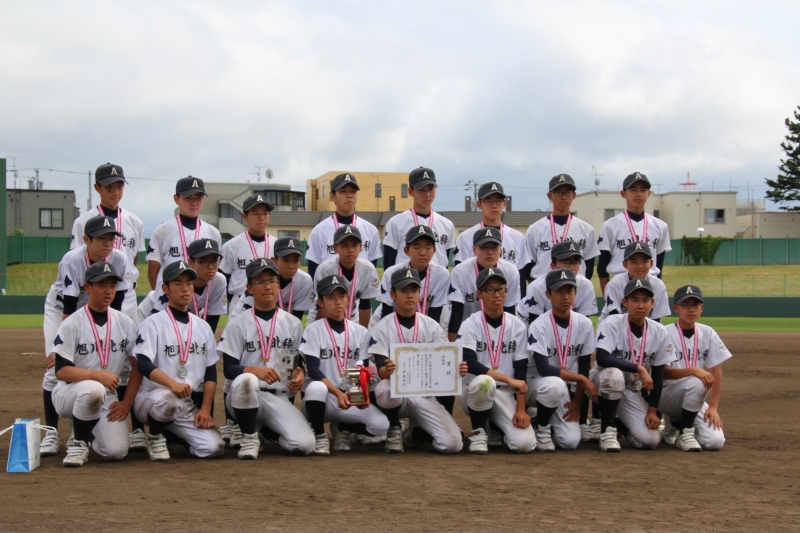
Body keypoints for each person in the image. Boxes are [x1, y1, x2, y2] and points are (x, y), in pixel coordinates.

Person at [40, 215, 130, 458]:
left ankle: (83, 425)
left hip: (99, 305)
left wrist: (110, 331)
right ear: (86, 240)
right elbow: (70, 307)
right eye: (102, 238)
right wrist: (60, 347)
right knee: (54, 368)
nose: (108, 243)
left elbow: (117, 303)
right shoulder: (72, 260)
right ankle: (51, 432)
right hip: (63, 309)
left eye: (111, 238)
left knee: (101, 363)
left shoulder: (119, 259)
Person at [217, 259, 315, 459]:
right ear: (249, 288)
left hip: (277, 397)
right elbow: (229, 369)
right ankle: (249, 437)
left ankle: (267, 432)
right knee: (247, 379)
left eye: (271, 281)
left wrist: (298, 374)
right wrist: (255, 371)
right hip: (243, 397)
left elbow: (292, 363)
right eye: (260, 282)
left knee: (305, 445)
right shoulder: (238, 324)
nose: (267, 286)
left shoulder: (293, 324)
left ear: (278, 285)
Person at [50, 262, 142, 467]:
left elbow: (138, 365)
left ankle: (86, 427)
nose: (109, 291)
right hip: (70, 392)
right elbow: (61, 371)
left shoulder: (124, 322)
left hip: (107, 396)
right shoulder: (72, 323)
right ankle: (78, 442)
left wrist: (126, 403)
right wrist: (97, 376)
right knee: (93, 390)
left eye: (112, 285)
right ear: (88, 287)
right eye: (102, 285)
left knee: (116, 452)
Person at [133, 261, 225, 461]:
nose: (185, 288)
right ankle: (155, 437)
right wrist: (172, 384)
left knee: (214, 448)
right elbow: (143, 363)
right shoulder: (152, 323)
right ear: (165, 289)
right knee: (167, 398)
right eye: (178, 283)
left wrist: (205, 409)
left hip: (185, 404)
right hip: (152, 398)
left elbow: (210, 371)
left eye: (189, 283)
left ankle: (180, 436)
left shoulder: (202, 326)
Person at [371, 268, 462, 454]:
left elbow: (444, 363)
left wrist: (456, 369)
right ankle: (394, 427)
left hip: (423, 394)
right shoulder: (382, 327)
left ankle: (415, 433)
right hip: (395, 393)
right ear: (392, 295)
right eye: (403, 290)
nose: (409, 295)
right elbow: (380, 369)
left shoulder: (431, 326)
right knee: (384, 389)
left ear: (419, 293)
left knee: (453, 444)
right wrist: (387, 370)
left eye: (414, 290)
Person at [299, 275, 389, 455]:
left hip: (349, 396)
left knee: (381, 426)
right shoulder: (313, 330)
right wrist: (337, 393)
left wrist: (361, 395)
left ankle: (343, 428)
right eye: (331, 297)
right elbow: (313, 369)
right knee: (316, 387)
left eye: (341, 296)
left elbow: (362, 368)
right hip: (322, 398)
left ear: (348, 299)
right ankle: (320, 435)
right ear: (320, 302)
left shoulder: (360, 332)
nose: (337, 301)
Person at [591, 278, 675, 452]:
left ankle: (619, 425)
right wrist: (639, 368)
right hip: (602, 383)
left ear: (652, 303)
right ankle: (607, 430)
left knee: (650, 441)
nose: (640, 305)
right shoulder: (612, 323)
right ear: (625, 302)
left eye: (645, 300)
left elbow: (658, 374)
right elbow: (602, 358)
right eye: (635, 300)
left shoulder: (660, 332)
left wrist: (653, 410)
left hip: (631, 388)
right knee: (613, 375)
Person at [457, 268, 534, 455]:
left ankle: (496, 426)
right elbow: (470, 362)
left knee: (524, 444)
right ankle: (478, 432)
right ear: (479, 294)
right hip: (474, 392)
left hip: (506, 393)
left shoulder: (517, 326)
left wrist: (521, 408)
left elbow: (521, 368)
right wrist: (507, 379)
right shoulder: (470, 324)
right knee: (485, 382)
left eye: (500, 289)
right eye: (489, 290)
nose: (496, 294)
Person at [525, 269, 597, 452]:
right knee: (554, 384)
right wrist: (580, 378)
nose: (565, 296)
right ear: (548, 294)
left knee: (570, 442)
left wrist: (577, 403)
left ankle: (543, 420)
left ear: (575, 293)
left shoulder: (584, 324)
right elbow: (543, 368)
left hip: (559, 386)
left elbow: (584, 365)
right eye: (559, 291)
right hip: (533, 385)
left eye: (569, 291)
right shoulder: (539, 325)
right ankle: (542, 427)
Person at [70, 163, 145, 318]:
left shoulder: (135, 222)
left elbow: (133, 258)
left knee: (125, 332)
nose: (115, 192)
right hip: (95, 291)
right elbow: (77, 258)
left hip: (126, 294)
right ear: (97, 188)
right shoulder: (83, 222)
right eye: (109, 187)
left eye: (120, 186)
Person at [659, 285, 729, 451]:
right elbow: (663, 372)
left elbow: (716, 372)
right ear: (676, 308)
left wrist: (713, 407)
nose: (691, 309)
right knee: (697, 381)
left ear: (701, 308)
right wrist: (693, 370)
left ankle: (675, 423)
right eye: (685, 304)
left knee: (715, 441)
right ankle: (686, 433)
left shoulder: (708, 333)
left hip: (693, 397)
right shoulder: (665, 332)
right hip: (666, 395)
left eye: (695, 305)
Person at [146, 176, 222, 301]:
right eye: (188, 198)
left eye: (198, 198)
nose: (194, 203)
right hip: (168, 297)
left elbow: (214, 268)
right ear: (176, 199)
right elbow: (153, 270)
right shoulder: (162, 231)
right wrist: (159, 294)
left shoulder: (213, 232)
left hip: (200, 298)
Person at [597, 172, 671, 294]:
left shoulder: (660, 226)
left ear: (648, 193)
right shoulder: (610, 226)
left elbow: (658, 267)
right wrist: (608, 296)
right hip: (620, 284)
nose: (638, 194)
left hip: (649, 284)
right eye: (633, 190)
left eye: (643, 190)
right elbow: (602, 268)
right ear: (623, 193)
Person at [454, 181, 532, 296]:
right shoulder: (465, 237)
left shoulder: (517, 237)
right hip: (476, 297)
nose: (494, 205)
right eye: (488, 201)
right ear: (479, 204)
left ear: (504, 203)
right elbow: (461, 273)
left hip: (508, 297)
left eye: (498, 201)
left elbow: (522, 273)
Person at [447, 227, 519, 342]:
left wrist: (507, 338)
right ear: (474, 249)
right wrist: (453, 346)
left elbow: (509, 309)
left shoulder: (511, 271)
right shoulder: (460, 271)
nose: (490, 252)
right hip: (468, 329)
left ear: (501, 249)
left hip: (500, 328)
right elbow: (457, 311)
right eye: (484, 247)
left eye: (494, 247)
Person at [305, 173, 382, 279]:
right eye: (343, 191)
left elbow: (371, 271)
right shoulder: (319, 231)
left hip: (360, 289)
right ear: (333, 197)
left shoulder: (371, 230)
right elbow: (313, 271)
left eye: (353, 191)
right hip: (329, 288)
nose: (349, 195)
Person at [372, 225, 451, 328]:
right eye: (417, 248)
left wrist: (425, 333)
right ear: (406, 251)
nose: (422, 253)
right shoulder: (391, 273)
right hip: (393, 316)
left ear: (434, 251)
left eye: (428, 247)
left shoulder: (441, 274)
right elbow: (387, 310)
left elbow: (435, 313)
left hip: (427, 317)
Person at [525, 174, 599, 282]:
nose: (563, 196)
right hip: (543, 286)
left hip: (575, 286)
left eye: (567, 192)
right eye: (558, 192)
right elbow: (528, 265)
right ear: (549, 196)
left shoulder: (586, 229)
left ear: (574, 195)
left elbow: (589, 265)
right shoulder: (535, 229)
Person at [382, 167, 456, 269]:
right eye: (421, 189)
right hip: (406, 278)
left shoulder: (447, 224)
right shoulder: (396, 222)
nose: (427, 194)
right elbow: (388, 263)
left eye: (431, 188)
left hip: (436, 278)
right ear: (410, 191)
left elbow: (444, 259)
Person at [228, 237, 315, 322]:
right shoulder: (262, 279)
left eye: (295, 261)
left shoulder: (304, 281)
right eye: (286, 260)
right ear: (274, 260)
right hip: (246, 314)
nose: (291, 266)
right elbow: (246, 314)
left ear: (300, 260)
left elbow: (297, 318)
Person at [309, 225, 380, 327]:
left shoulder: (367, 268)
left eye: (354, 245)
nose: (350, 250)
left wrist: (363, 332)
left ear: (360, 247)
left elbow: (365, 305)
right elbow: (322, 306)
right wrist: (318, 330)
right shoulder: (325, 269)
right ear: (335, 248)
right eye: (344, 245)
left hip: (353, 315)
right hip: (323, 314)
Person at [152, 238, 227, 333]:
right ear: (191, 262)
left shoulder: (219, 281)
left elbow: (211, 324)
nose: (211, 266)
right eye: (204, 261)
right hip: (152, 312)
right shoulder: (173, 279)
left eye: (214, 261)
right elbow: (158, 322)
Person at [517, 240, 598, 326]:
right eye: (565, 262)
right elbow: (534, 324)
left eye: (575, 262)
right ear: (553, 265)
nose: (571, 267)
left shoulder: (586, 286)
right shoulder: (537, 287)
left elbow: (583, 324)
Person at [219, 193, 278, 310]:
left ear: (270, 216)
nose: (261, 218)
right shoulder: (231, 246)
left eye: (265, 213)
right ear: (244, 217)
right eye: (255, 213)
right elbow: (222, 280)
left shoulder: (277, 245)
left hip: (269, 301)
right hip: (240, 301)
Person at [598, 241, 670, 324]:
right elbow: (614, 316)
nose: (640, 266)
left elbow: (656, 319)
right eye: (634, 262)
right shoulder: (615, 284)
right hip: (612, 327)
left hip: (645, 328)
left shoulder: (658, 285)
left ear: (651, 263)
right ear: (625, 264)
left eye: (644, 261)